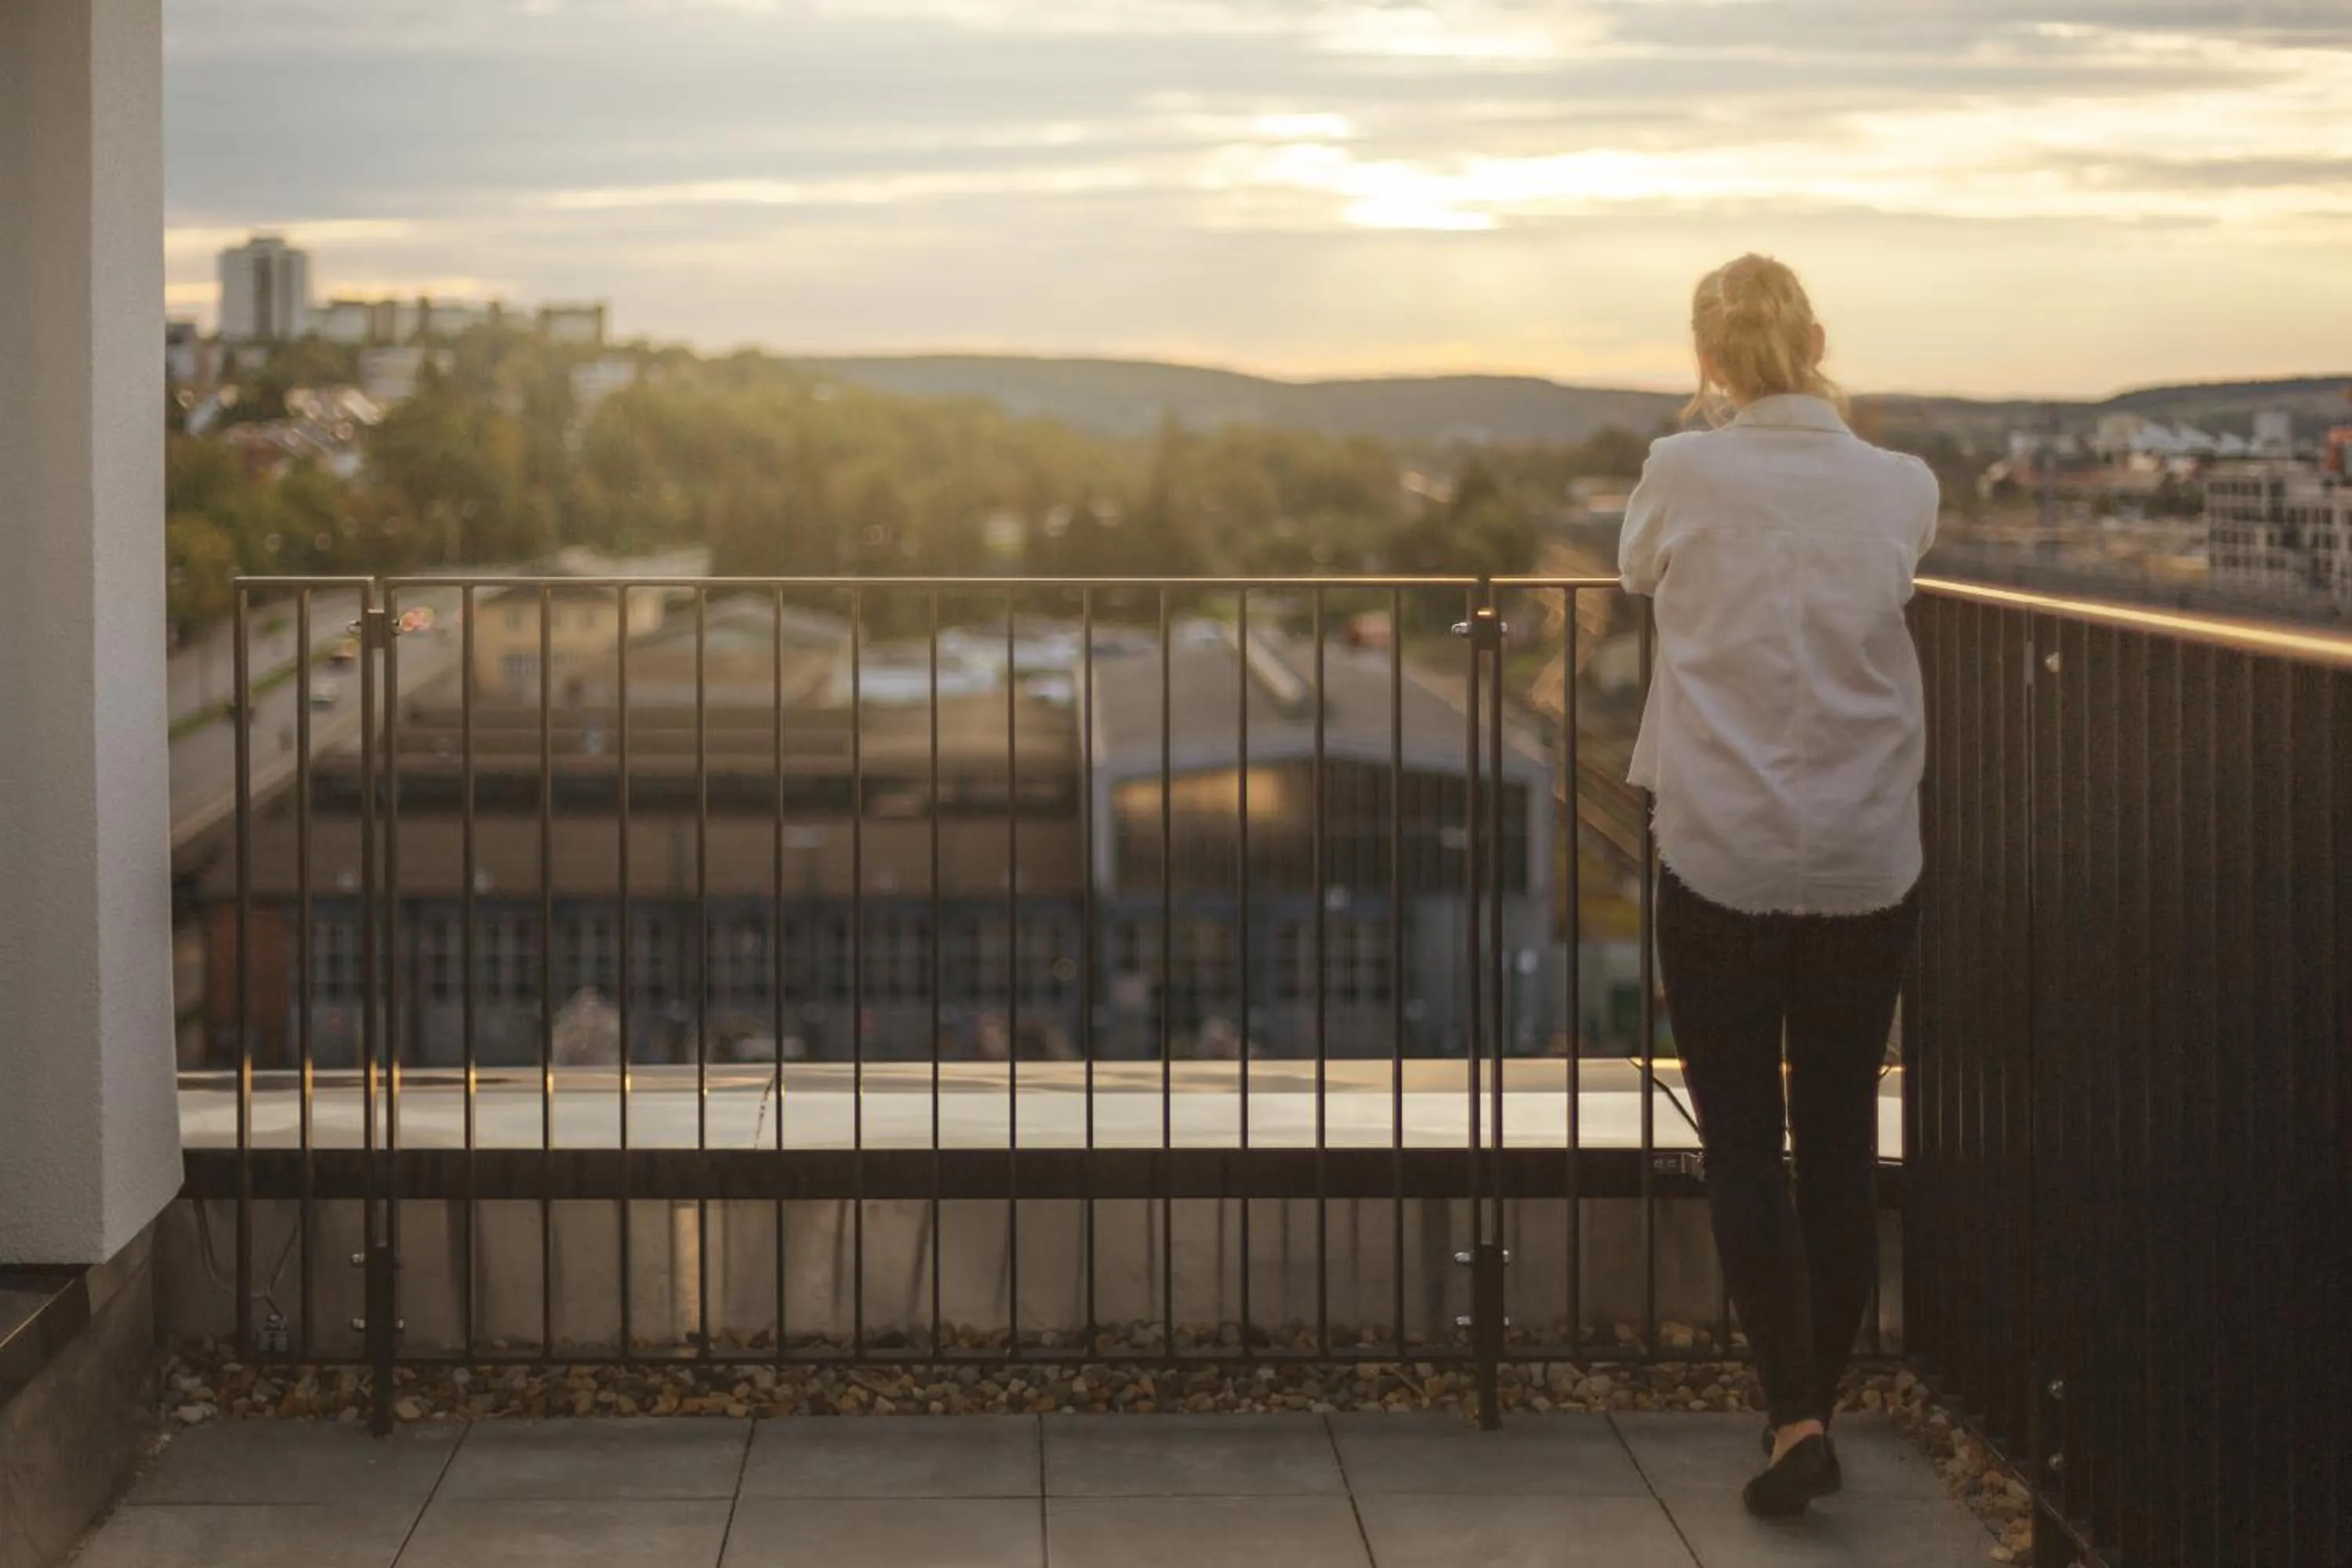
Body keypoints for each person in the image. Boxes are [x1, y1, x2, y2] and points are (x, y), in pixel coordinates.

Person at [1619, 253, 1936, 1519]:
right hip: (1867, 851)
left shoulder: (1680, 468)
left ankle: (1794, 1410)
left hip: (1723, 850)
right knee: (1844, 1131)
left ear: (1708, 361)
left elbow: (1641, 573)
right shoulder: (1901, 485)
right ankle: (1815, 1403)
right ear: (1818, 338)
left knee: (1745, 1139)